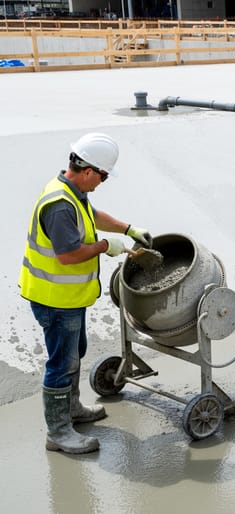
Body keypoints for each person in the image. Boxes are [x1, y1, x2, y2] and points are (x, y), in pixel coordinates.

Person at [19, 133, 153, 454]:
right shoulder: (59, 206)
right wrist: (108, 246)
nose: (103, 182)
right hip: (55, 300)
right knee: (61, 363)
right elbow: (68, 255)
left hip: (69, 298)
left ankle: (71, 409)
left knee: (73, 354)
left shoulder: (72, 192)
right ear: (89, 170)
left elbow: (92, 216)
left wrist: (127, 229)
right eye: (104, 176)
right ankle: (59, 432)